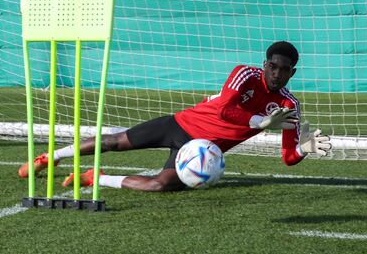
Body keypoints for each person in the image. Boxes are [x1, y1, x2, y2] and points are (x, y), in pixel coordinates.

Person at [18, 41, 331, 191]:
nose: (276, 74)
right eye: (272, 66)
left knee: (160, 186)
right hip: (180, 124)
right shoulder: (244, 74)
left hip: (199, 153)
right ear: (264, 64)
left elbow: (288, 157)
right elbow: (225, 108)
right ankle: (53, 156)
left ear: (293, 72)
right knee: (114, 141)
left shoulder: (290, 105)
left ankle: (95, 178)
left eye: (284, 70)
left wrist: (304, 149)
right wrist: (260, 123)